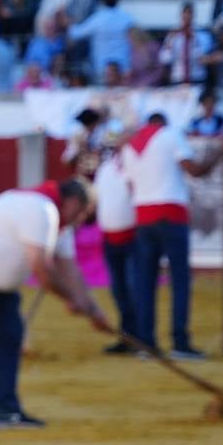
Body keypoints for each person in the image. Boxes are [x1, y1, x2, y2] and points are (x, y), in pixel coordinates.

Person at [0, 179, 111, 433]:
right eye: (83, 212)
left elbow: (71, 272)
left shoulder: (56, 222)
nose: (81, 219)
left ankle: (7, 411)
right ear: (73, 202)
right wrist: (73, 301)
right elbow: (42, 269)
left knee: (11, 335)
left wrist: (94, 311)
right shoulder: (41, 210)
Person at [119, 112, 223, 359]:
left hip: (143, 216)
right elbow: (194, 170)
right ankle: (180, 342)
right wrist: (221, 152)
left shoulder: (130, 146)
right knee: (179, 280)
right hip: (171, 214)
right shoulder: (171, 135)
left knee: (145, 283)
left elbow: (130, 186)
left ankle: (146, 343)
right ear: (163, 123)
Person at [92, 123, 138, 354]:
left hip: (133, 236)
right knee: (120, 290)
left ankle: (140, 338)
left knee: (132, 288)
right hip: (110, 237)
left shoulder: (135, 165)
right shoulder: (105, 169)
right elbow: (98, 201)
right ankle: (127, 337)